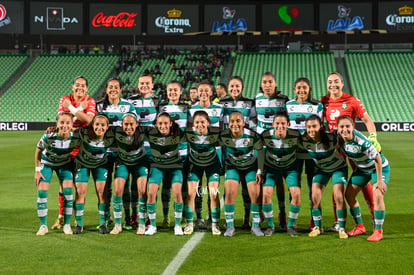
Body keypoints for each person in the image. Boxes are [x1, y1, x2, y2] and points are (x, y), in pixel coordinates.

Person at [321, 72, 381, 232]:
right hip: (336, 150)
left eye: (336, 82)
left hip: (352, 147)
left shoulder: (352, 101)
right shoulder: (324, 101)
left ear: (342, 84)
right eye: (329, 82)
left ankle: (375, 218)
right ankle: (337, 222)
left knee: (364, 180)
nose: (333, 85)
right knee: (338, 184)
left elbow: (367, 120)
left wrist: (373, 137)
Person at [51, 76, 96, 230]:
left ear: (87, 88)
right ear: (73, 87)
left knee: (79, 186)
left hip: (82, 149)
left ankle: (77, 219)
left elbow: (90, 121)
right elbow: (62, 121)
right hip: (66, 148)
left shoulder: (90, 101)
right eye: (77, 85)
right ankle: (61, 217)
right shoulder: (64, 98)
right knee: (64, 184)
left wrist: (72, 109)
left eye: (83, 86)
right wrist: (78, 112)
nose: (80, 88)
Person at [337, 115, 390, 242]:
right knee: (349, 195)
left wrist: (379, 181)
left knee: (377, 194)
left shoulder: (361, 141)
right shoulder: (339, 138)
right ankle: (359, 226)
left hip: (377, 167)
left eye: (347, 126)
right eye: (342, 127)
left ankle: (378, 231)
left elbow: (377, 158)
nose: (345, 129)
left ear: (352, 127)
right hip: (362, 169)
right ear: (337, 128)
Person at [96, 77, 136, 230]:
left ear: (120, 90)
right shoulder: (99, 107)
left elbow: (132, 128)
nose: (113, 89)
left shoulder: (128, 106)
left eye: (116, 87)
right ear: (106, 90)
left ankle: (126, 217)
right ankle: (106, 217)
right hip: (104, 151)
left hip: (122, 151)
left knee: (122, 185)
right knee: (104, 187)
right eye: (110, 87)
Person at [302, 115, 348, 239]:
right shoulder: (304, 140)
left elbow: (347, 138)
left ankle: (342, 228)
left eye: (314, 126)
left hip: (338, 168)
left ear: (321, 126)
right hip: (321, 170)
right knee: (314, 196)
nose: (311, 129)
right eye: (309, 127)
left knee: (338, 196)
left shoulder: (332, 137)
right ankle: (318, 227)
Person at [286, 77, 323, 231]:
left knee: (313, 187)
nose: (302, 91)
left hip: (311, 153)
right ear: (294, 89)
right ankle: (292, 221)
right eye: (299, 88)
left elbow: (321, 128)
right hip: (294, 153)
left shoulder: (317, 106)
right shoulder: (288, 105)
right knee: (294, 187)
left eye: (305, 88)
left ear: (310, 89)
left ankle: (315, 221)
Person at [219, 111, 264, 237]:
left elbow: (260, 151)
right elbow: (217, 147)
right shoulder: (223, 135)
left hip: (250, 167)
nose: (235, 124)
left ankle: (255, 226)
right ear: (229, 124)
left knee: (255, 193)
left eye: (238, 121)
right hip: (233, 167)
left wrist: (260, 171)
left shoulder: (252, 135)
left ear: (243, 123)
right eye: (232, 121)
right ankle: (230, 226)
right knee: (230, 192)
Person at [220, 76, 257, 228]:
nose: (234, 89)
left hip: (246, 147)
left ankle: (247, 219)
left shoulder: (249, 103)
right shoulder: (222, 103)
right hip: (229, 148)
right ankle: (218, 218)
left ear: (242, 88)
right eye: (232, 86)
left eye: (237, 86)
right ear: (228, 88)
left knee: (247, 189)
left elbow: (254, 124)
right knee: (229, 188)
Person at [34, 112, 78, 236]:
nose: (65, 125)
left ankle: (67, 225)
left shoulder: (75, 137)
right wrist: (37, 171)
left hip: (65, 165)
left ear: (72, 125)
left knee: (68, 193)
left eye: (68, 123)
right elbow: (38, 151)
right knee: (42, 192)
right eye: (62, 122)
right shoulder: (49, 136)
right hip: (47, 164)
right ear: (57, 124)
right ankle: (43, 226)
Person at [188, 80, 224, 230]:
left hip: (213, 155)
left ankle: (211, 218)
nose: (203, 94)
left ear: (211, 93)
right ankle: (198, 217)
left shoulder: (220, 109)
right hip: (196, 155)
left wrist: (222, 159)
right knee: (196, 189)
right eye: (200, 91)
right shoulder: (191, 109)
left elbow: (222, 134)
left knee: (212, 190)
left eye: (206, 91)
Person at [255, 72, 289, 229]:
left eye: (270, 82)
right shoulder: (257, 99)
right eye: (264, 82)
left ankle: (282, 213)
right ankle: (261, 212)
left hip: (279, 146)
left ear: (275, 84)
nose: (267, 85)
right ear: (261, 85)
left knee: (279, 180)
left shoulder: (284, 101)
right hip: (262, 147)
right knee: (261, 179)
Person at [261, 110, 302, 237]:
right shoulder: (265, 135)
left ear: (288, 124)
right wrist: (260, 171)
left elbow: (302, 150)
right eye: (277, 123)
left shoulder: (295, 135)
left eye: (283, 123)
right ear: (272, 124)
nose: (280, 126)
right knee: (266, 194)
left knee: (296, 194)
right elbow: (260, 153)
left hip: (290, 168)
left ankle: (290, 226)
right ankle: (270, 225)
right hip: (271, 169)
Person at [73, 114, 115, 234]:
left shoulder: (112, 135)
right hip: (83, 164)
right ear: (92, 125)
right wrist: (54, 128)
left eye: (103, 125)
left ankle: (103, 223)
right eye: (97, 124)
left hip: (100, 165)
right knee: (80, 192)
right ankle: (79, 224)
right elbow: (69, 131)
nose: (99, 127)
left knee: (102, 192)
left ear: (107, 127)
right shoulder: (83, 132)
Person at [144, 113, 185, 236]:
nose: (163, 126)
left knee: (177, 191)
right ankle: (152, 225)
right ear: (156, 124)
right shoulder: (150, 133)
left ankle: (177, 225)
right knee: (151, 192)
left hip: (175, 166)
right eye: (160, 123)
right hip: (158, 166)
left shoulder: (178, 133)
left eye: (166, 123)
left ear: (171, 123)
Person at [110, 113, 148, 235]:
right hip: (123, 163)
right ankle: (117, 224)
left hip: (140, 163)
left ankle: (141, 223)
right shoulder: (115, 131)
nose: (129, 127)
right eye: (126, 124)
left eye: (131, 124)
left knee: (142, 190)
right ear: (121, 124)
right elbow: (94, 127)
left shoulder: (144, 131)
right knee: (117, 190)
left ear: (137, 124)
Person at [158, 80, 189, 229]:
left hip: (182, 154)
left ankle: (182, 215)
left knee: (181, 187)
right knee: (166, 187)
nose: (172, 92)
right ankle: (165, 217)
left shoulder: (186, 108)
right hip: (165, 154)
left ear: (181, 92)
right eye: (170, 90)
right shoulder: (161, 107)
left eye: (175, 90)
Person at [184, 111, 221, 235]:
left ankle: (214, 224)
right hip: (195, 165)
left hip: (212, 164)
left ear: (208, 122)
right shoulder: (189, 133)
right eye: (197, 122)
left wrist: (222, 166)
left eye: (202, 122)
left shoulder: (216, 132)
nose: (200, 125)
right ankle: (190, 223)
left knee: (213, 193)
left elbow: (221, 147)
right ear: (193, 124)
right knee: (191, 193)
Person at [128, 73, 159, 228]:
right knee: (136, 184)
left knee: (152, 184)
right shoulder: (130, 101)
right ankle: (136, 214)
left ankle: (150, 215)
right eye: (141, 83)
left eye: (147, 83)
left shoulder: (158, 102)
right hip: (135, 148)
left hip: (153, 149)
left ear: (152, 85)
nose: (144, 85)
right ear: (138, 84)